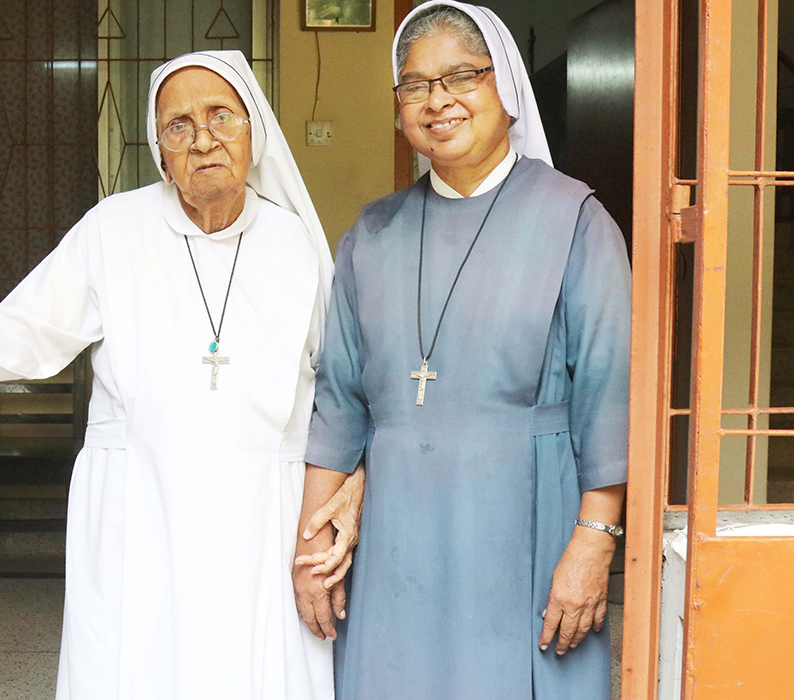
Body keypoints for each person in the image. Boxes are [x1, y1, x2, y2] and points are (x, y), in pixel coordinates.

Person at [0, 50, 365, 700]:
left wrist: (340, 506)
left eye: (220, 117)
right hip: (140, 516)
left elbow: (343, 397)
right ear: (157, 146)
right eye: (178, 125)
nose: (202, 138)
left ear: (253, 129)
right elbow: (19, 342)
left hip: (265, 519)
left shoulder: (296, 245)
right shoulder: (113, 231)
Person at [292, 3, 631, 699]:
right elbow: (338, 405)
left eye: (461, 77)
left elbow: (609, 393)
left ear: (503, 87)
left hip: (526, 527)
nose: (437, 101)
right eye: (414, 85)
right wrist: (309, 552)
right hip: (395, 533)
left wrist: (595, 541)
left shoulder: (576, 220)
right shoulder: (372, 233)